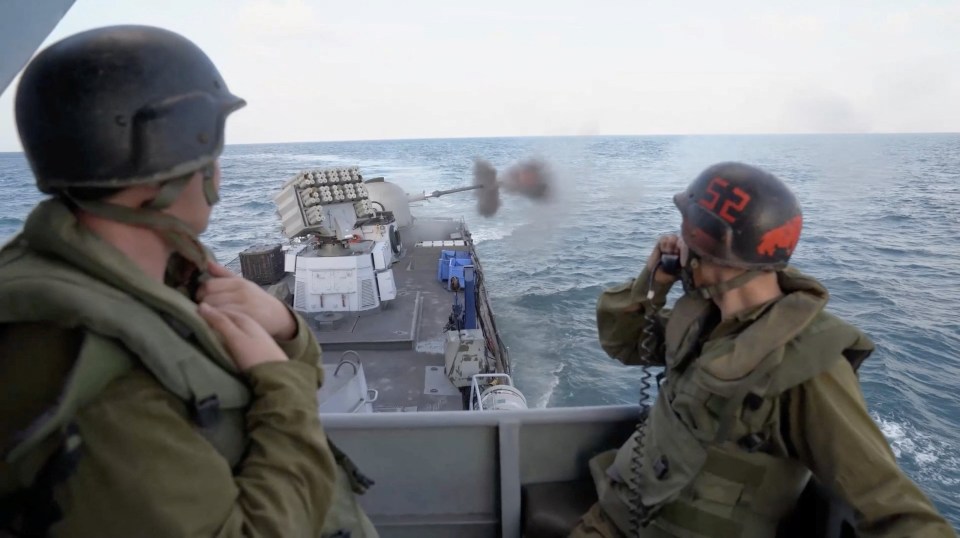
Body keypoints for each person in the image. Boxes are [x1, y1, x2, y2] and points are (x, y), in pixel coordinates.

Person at [0, 26, 376, 537]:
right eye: (211, 151)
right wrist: (280, 384)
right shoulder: (95, 372)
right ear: (171, 163)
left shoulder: (157, 279)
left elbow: (295, 371)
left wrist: (284, 328)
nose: (218, 170)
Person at [571, 162, 956, 537]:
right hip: (615, 516)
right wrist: (654, 280)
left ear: (703, 241)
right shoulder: (704, 319)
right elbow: (623, 343)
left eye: (686, 229)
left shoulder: (806, 364)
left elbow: (893, 506)